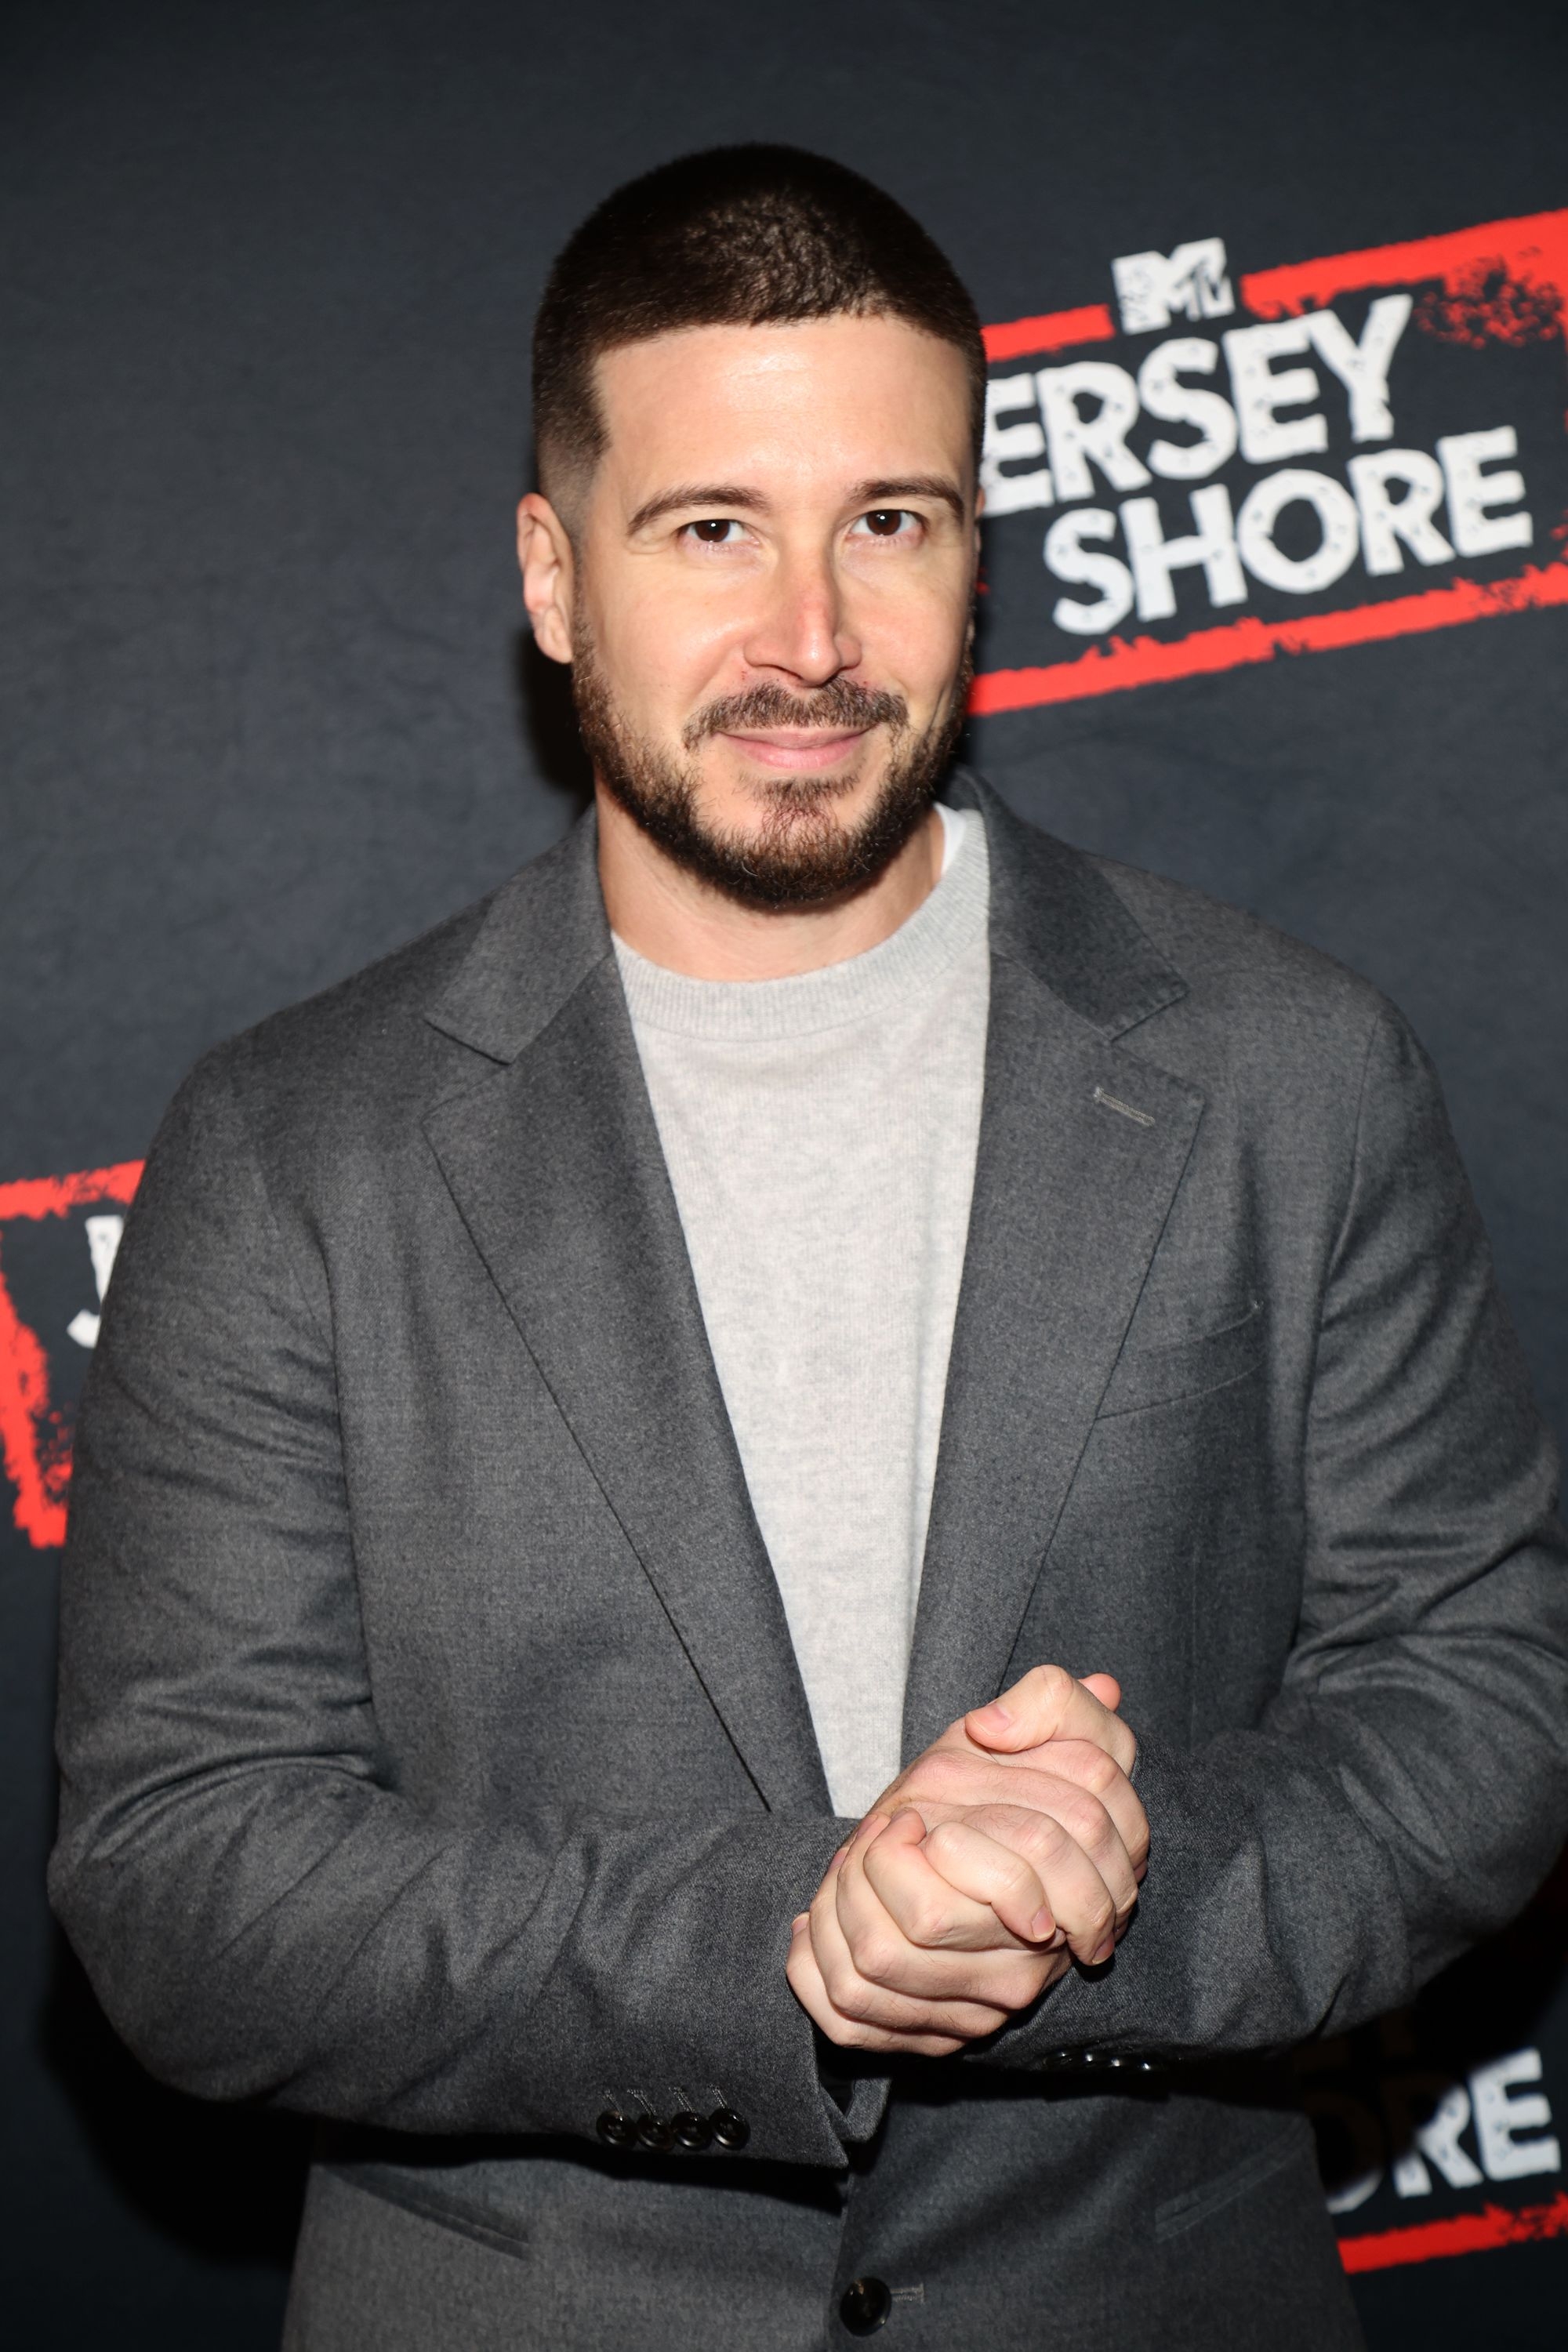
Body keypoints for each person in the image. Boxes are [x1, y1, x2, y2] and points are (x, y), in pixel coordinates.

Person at [50, 145, 1568, 2352]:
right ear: (554, 579)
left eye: (890, 522)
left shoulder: (1291, 1069)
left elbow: (1480, 1704)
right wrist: (796, 1937)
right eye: (712, 531)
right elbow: (184, 1878)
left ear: (978, 553)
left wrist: (1095, 1893)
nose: (814, 641)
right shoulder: (296, 1149)